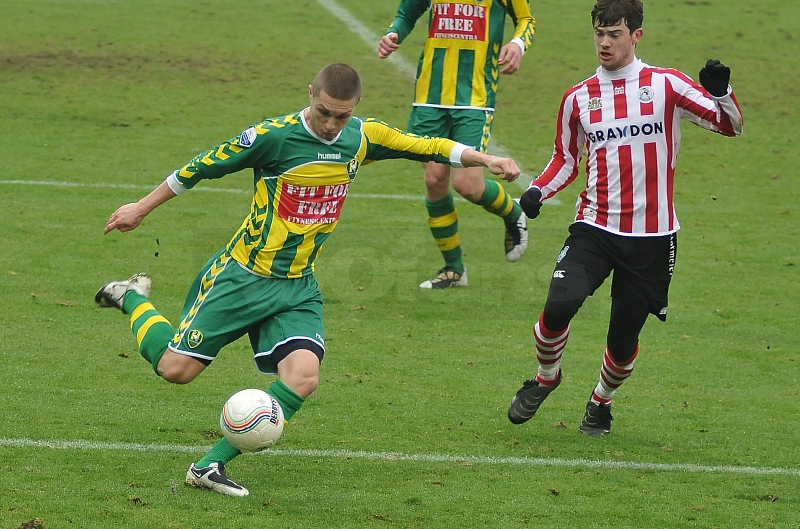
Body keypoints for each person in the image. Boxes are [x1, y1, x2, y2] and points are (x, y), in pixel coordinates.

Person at [94, 63, 521, 497]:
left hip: (297, 286)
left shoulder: (362, 137)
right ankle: (132, 297)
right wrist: (141, 207)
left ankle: (208, 465)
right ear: (310, 95)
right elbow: (200, 167)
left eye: (342, 115)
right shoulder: (273, 137)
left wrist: (485, 158)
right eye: (324, 112)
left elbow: (430, 145)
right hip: (242, 277)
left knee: (303, 377)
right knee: (175, 370)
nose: (332, 124)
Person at [507, 0, 743, 435]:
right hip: (594, 227)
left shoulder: (667, 84)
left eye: (614, 34)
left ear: (636, 35)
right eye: (599, 34)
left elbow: (729, 127)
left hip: (652, 238)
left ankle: (601, 400)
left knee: (622, 340)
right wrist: (537, 190)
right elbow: (566, 158)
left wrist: (723, 92)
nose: (604, 43)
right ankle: (545, 377)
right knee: (560, 304)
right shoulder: (578, 97)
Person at [377, 0, 535, 289]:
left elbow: (526, 19)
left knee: (468, 184)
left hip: (475, 95)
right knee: (434, 181)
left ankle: (512, 212)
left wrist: (517, 44)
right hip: (431, 92)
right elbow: (407, 10)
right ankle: (454, 269)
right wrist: (395, 34)